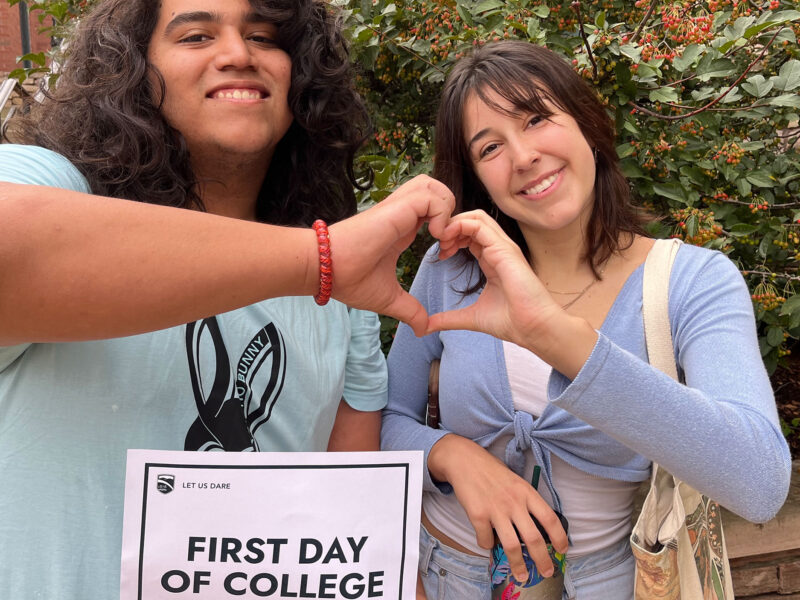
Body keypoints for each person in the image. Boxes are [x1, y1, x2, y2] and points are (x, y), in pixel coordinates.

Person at [0, 0, 455, 597]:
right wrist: (318, 260)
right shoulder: (52, 184)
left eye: (265, 37)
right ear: (135, 67)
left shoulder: (348, 296)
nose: (238, 55)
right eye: (195, 36)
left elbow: (348, 514)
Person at [382, 41, 792, 599]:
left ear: (587, 126)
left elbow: (759, 481)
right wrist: (451, 455)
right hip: (449, 573)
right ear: (478, 180)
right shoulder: (452, 271)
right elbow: (383, 420)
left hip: (614, 583)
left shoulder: (692, 282)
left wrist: (557, 339)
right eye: (490, 147)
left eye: (536, 118)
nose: (523, 155)